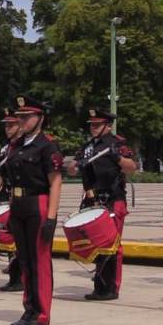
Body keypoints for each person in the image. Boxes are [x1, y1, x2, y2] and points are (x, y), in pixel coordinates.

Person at [5, 95, 63, 325]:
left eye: (27, 116)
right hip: (18, 204)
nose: (22, 120)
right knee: (25, 260)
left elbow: (56, 182)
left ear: (40, 117)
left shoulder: (47, 145)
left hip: (38, 203)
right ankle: (29, 309)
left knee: (39, 260)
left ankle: (41, 314)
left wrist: (51, 217)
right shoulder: (17, 145)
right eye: (20, 117)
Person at [67, 108, 137, 300]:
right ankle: (100, 285)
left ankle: (111, 288)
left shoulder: (116, 143)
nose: (93, 128)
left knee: (111, 244)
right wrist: (74, 165)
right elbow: (71, 170)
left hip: (113, 199)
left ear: (108, 125)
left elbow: (132, 167)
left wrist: (118, 157)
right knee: (96, 244)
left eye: (97, 125)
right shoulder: (88, 147)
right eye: (91, 125)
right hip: (92, 200)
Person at [0, 107, 23, 292]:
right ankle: (13, 272)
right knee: (6, 234)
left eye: (12, 125)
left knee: (18, 236)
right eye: (6, 125)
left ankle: (19, 274)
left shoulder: (21, 145)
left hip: (17, 194)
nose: (8, 128)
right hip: (3, 193)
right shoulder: (5, 148)